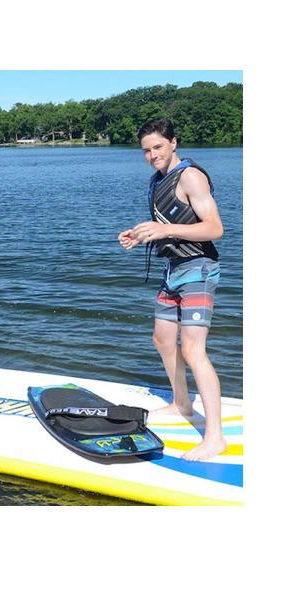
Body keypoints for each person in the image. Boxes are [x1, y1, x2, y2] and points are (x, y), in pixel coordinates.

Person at [118, 118, 226, 461]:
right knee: (162, 339)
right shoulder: (157, 180)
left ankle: (215, 437)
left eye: (158, 147)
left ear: (174, 143)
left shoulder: (190, 177)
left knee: (194, 350)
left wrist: (163, 233)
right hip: (173, 271)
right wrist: (139, 235)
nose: (152, 155)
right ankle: (182, 405)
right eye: (146, 151)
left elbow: (214, 228)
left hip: (199, 269)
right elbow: (167, 225)